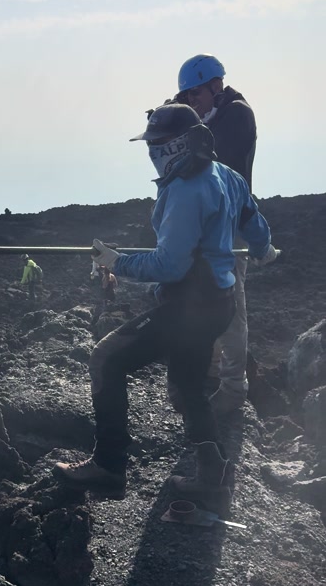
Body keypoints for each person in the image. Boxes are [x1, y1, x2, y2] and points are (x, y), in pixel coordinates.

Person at [53, 103, 276, 504]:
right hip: (220, 302)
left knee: (106, 359)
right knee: (189, 385)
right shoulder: (226, 175)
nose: (151, 152)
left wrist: (116, 262)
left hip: (190, 308)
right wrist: (264, 250)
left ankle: (108, 466)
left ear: (173, 146)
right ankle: (213, 474)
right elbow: (252, 221)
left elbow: (169, 265)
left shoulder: (184, 190)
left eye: (155, 145)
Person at [177, 54, 257, 415]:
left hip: (231, 227)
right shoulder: (207, 112)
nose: (192, 101)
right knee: (198, 302)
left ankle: (232, 390)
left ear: (216, 86)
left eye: (196, 93)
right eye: (187, 96)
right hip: (203, 225)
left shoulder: (237, 114)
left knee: (231, 310)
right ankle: (208, 376)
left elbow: (214, 160)